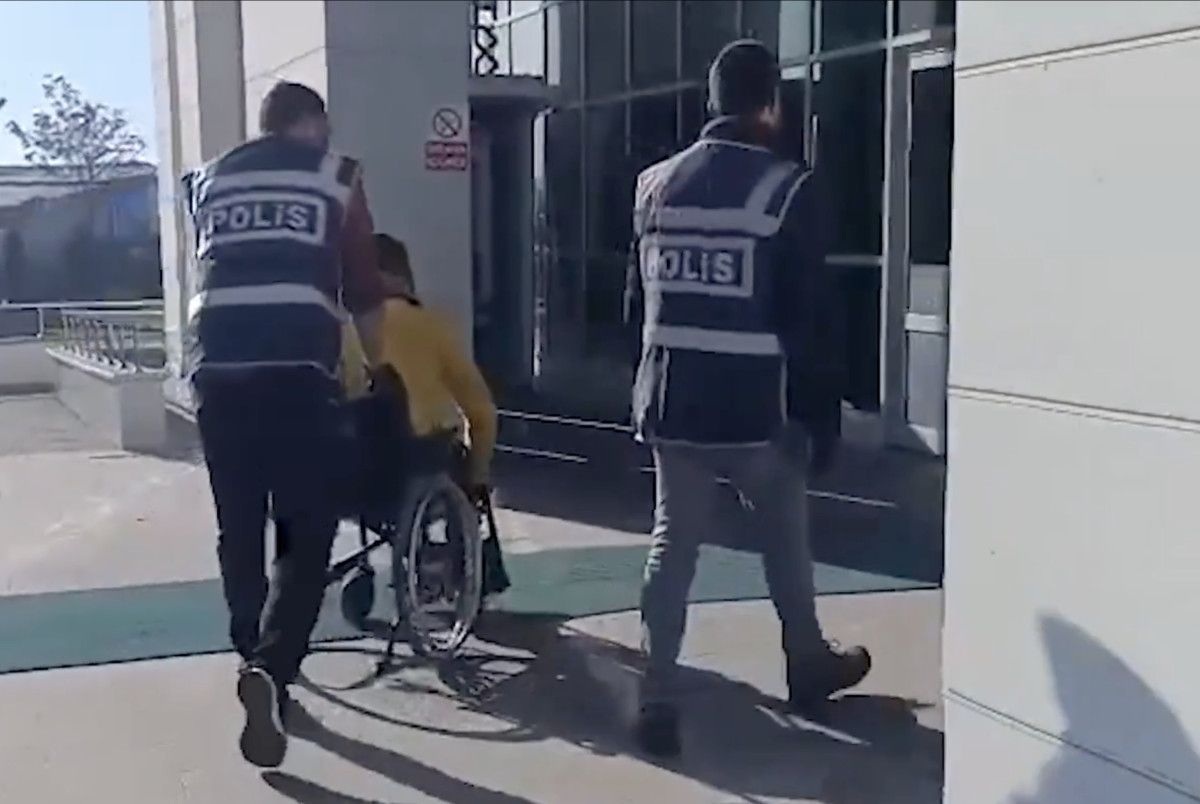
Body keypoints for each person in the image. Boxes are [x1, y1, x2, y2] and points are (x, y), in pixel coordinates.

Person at [623, 40, 871, 758]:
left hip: (671, 403)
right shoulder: (788, 189)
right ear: (770, 105)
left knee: (672, 545)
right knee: (785, 535)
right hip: (755, 407)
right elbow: (811, 318)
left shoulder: (654, 186)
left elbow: (634, 300)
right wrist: (821, 419)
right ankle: (807, 663)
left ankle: (656, 697)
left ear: (712, 101)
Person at [181, 81, 385, 768]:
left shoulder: (207, 181)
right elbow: (364, 286)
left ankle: (250, 655)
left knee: (238, 525)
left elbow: (214, 267)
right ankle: (271, 668)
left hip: (215, 371)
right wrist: (382, 369)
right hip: (296, 371)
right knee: (304, 530)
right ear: (311, 123)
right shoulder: (335, 176)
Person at [341, 234, 507, 595]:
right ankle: (459, 567)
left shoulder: (344, 333)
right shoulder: (432, 327)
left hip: (360, 476)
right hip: (423, 463)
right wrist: (478, 473)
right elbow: (481, 410)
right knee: (458, 462)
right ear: (404, 275)